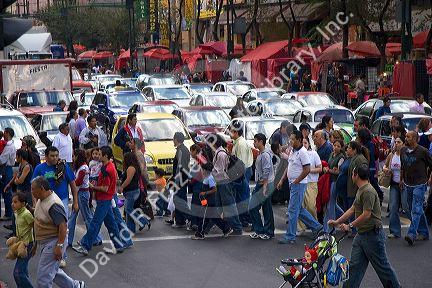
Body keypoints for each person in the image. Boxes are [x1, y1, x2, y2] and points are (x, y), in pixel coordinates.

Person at [328, 165, 400, 288]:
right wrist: (337, 222)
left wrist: (350, 225)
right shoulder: (361, 189)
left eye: (353, 173)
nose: (351, 176)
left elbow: (367, 214)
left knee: (382, 267)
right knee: (355, 266)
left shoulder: (368, 191)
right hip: (362, 235)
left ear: (356, 175)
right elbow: (352, 209)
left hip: (373, 235)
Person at [31, 176, 85, 287]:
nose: (31, 192)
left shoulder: (53, 204)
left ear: (41, 189)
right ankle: (76, 286)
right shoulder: (42, 200)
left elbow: (63, 226)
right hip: (46, 242)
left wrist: (59, 246)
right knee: (52, 271)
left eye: (33, 189)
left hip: (53, 242)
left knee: (43, 277)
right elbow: (40, 217)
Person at [73, 146, 125, 255]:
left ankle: (85, 245)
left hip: (104, 199)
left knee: (95, 223)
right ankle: (119, 245)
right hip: (106, 199)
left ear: (105, 156)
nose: (98, 156)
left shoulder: (106, 169)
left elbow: (105, 188)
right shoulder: (108, 166)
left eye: (100, 154)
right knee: (111, 223)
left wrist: (93, 186)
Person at [32, 146, 78, 267]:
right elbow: (34, 186)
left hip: (61, 201)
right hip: (44, 201)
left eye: (56, 155)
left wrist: (75, 202)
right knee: (47, 227)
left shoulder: (64, 167)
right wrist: (34, 203)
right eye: (52, 156)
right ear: (46, 156)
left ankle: (62, 255)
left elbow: (73, 185)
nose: (55, 158)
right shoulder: (39, 168)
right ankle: (48, 250)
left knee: (62, 228)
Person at [278, 131, 322, 244]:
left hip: (298, 184)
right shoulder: (293, 151)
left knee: (293, 210)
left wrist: (297, 181)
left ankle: (290, 236)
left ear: (298, 140)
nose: (290, 141)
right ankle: (317, 227)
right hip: (293, 184)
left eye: (292, 139)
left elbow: (307, 169)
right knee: (299, 210)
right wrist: (282, 179)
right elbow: (290, 166)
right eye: (290, 139)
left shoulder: (303, 152)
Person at [401, 131, 432, 245]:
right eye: (406, 136)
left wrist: (429, 178)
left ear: (415, 139)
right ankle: (424, 232)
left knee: (416, 208)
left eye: (408, 137)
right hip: (408, 183)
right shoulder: (403, 150)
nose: (406, 138)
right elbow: (403, 166)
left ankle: (411, 234)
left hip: (420, 183)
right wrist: (401, 180)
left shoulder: (423, 151)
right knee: (412, 209)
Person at [67, 149, 102, 247]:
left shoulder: (83, 168)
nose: (73, 158)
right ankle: (69, 240)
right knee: (73, 218)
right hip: (79, 194)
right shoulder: (80, 167)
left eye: (74, 156)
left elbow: (77, 182)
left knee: (87, 218)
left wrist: (71, 181)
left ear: (78, 156)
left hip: (82, 195)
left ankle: (97, 237)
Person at [211, 134, 243, 235]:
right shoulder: (220, 152)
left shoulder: (220, 154)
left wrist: (211, 172)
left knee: (229, 206)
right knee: (219, 206)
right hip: (221, 182)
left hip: (224, 182)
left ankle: (237, 227)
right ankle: (228, 225)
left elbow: (219, 171)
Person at [249, 133, 275, 240]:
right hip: (261, 184)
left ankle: (269, 232)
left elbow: (266, 171)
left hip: (266, 184)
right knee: (253, 207)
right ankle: (259, 230)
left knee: (266, 208)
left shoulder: (265, 154)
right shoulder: (261, 153)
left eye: (255, 141)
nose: (254, 143)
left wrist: (264, 186)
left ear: (260, 142)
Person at [118, 152, 150, 233]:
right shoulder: (134, 167)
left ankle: (144, 221)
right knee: (129, 211)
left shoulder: (131, 168)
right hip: (132, 191)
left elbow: (128, 180)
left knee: (129, 209)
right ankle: (131, 228)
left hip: (132, 191)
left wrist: (122, 187)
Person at [230, 120, 253, 228]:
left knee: (243, 197)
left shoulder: (241, 144)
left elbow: (241, 163)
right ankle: (244, 217)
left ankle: (245, 219)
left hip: (243, 172)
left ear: (236, 132)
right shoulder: (237, 142)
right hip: (240, 172)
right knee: (240, 197)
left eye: (231, 131)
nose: (230, 133)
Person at [10, 192, 34, 288]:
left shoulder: (26, 214)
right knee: (23, 271)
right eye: (12, 202)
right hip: (20, 244)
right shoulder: (16, 213)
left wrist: (34, 244)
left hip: (28, 245)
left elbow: (34, 226)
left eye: (15, 202)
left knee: (18, 273)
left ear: (23, 204)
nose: (12, 204)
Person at [298, 137, 321, 233]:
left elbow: (320, 168)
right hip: (300, 182)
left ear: (309, 144)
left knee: (311, 205)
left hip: (311, 183)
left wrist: (309, 170)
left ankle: (315, 227)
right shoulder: (297, 154)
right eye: (302, 143)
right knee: (300, 206)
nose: (304, 145)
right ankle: (301, 228)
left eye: (305, 143)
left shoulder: (313, 154)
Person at [383, 136, 404, 238]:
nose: (396, 144)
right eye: (395, 142)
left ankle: (418, 228)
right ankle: (395, 231)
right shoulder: (392, 155)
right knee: (393, 207)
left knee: (407, 208)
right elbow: (385, 166)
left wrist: (403, 180)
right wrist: (386, 169)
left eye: (399, 142)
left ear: (403, 144)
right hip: (394, 184)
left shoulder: (405, 155)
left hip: (404, 185)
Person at [323, 139, 345, 233]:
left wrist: (329, 170)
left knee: (330, 205)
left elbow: (339, 171)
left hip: (335, 182)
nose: (336, 147)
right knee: (333, 204)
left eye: (338, 146)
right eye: (334, 145)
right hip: (329, 180)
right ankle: (345, 216)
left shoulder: (341, 157)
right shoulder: (331, 154)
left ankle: (331, 228)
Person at [170, 132, 191, 228]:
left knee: (178, 199)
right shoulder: (183, 149)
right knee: (181, 199)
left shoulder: (181, 150)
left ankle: (190, 218)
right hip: (182, 178)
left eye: (173, 139)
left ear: (176, 139)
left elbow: (180, 167)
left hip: (180, 179)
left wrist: (176, 180)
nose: (173, 140)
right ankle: (180, 221)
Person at [357, 128, 384, 204]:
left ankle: (379, 195)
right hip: (366, 167)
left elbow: (370, 156)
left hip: (370, 167)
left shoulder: (370, 144)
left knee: (373, 183)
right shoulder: (362, 144)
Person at [346, 141, 369, 217]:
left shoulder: (360, 160)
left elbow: (364, 176)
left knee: (355, 215)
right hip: (351, 191)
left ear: (354, 150)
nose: (347, 149)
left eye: (349, 148)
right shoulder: (354, 158)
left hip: (356, 191)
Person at [0, 127, 17, 221]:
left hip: (6, 169)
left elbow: (2, 160)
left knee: (6, 191)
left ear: (8, 133)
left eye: (5, 133)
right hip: (6, 169)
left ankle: (8, 214)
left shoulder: (9, 146)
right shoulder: (7, 145)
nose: (3, 135)